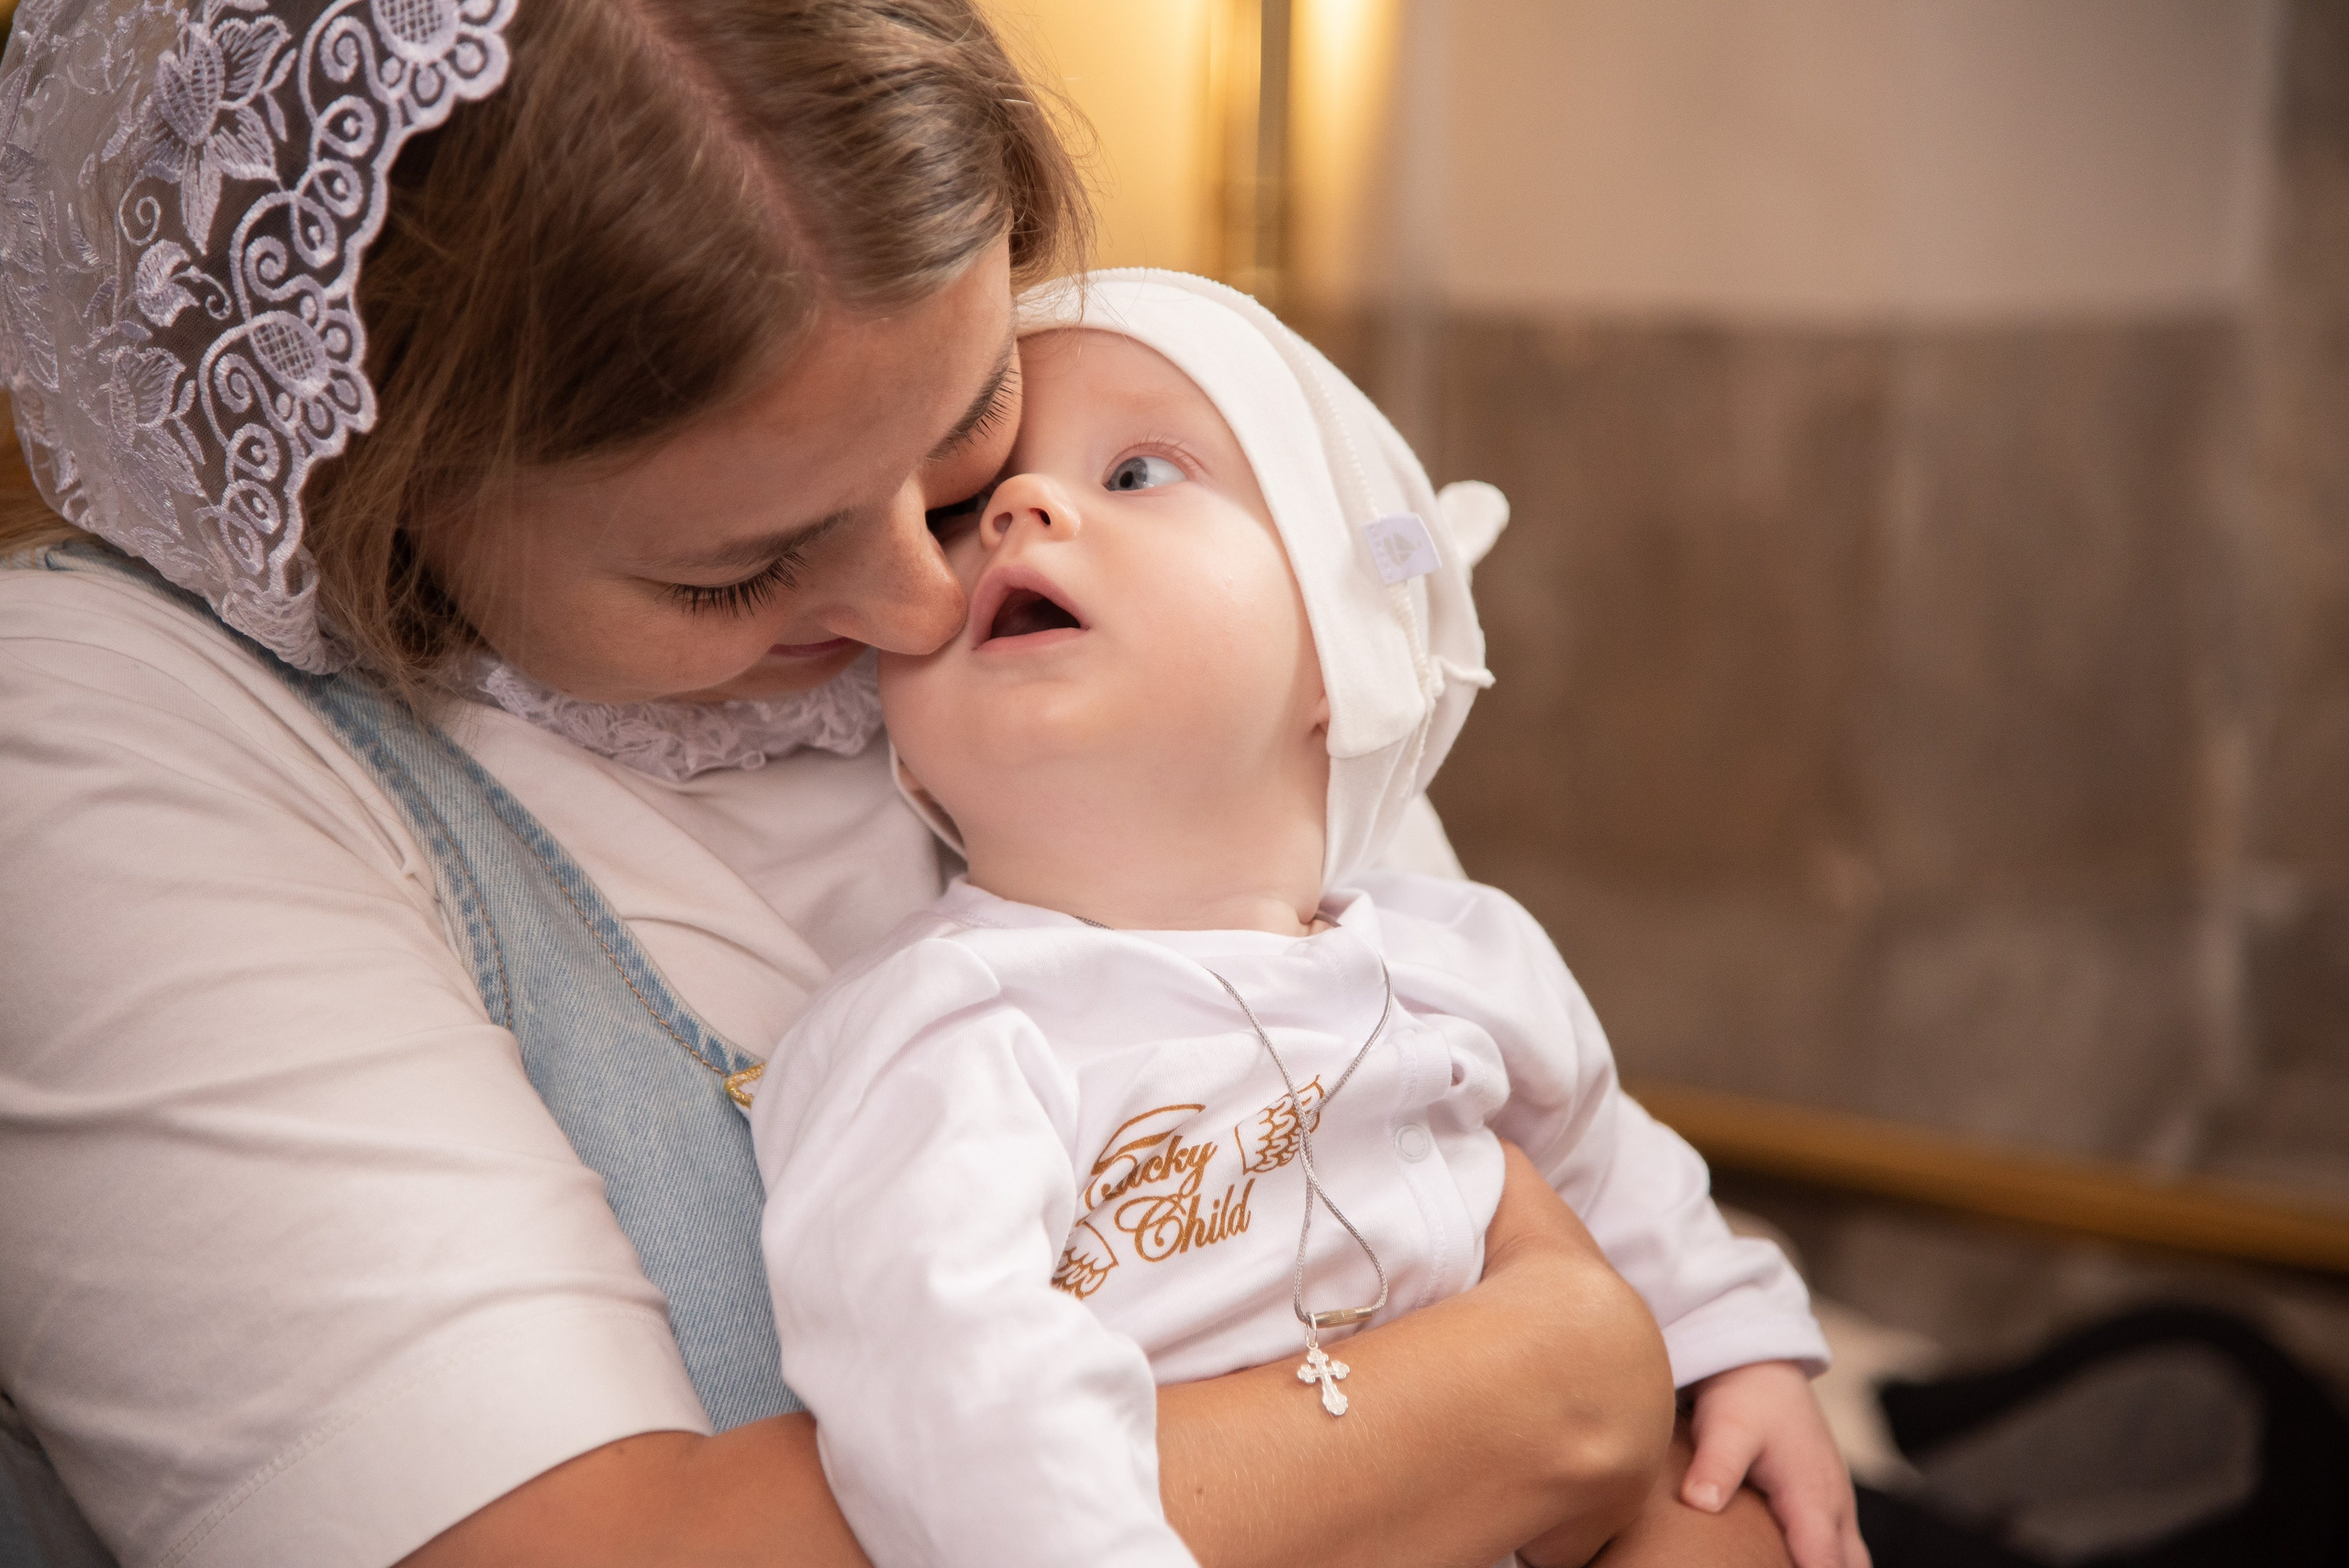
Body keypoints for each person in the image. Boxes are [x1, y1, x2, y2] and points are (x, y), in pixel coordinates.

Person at [0, 3, 1800, 1566]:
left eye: (961, 448)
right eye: (733, 571)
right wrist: (1552, 1379)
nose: (924, 597)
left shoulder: (1158, 698)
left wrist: (1698, 1359)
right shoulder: (103, 736)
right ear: (376, 488)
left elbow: (1637, 1290)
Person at [746, 272, 1865, 1568]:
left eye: (1139, 473)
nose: (1014, 507)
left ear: (1347, 661)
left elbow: (1613, 1171)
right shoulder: (943, 1028)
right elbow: (952, 1393)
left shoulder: (1454, 954)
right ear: (914, 765)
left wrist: (1744, 1354)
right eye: (958, 516)